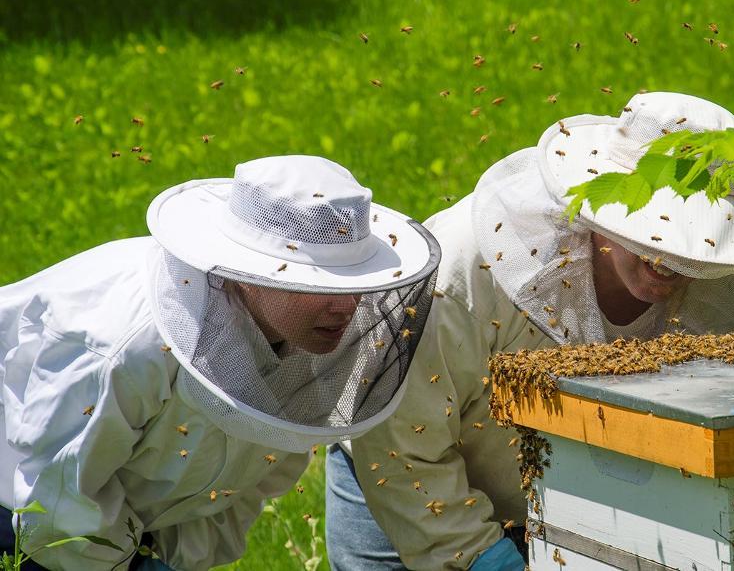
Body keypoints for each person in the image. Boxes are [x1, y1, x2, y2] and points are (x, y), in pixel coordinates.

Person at [325, 92, 734, 570]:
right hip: (400, 484)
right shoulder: (465, 271)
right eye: (652, 232)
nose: (667, 262)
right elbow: (401, 441)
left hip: (566, 506)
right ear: (599, 202)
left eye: (689, 239)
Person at [0, 155, 441, 570]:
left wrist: (164, 557)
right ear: (249, 274)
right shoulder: (128, 345)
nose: (348, 308)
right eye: (322, 284)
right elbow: (52, 502)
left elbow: (246, 485)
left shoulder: (304, 343)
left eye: (357, 282)